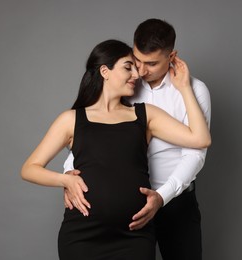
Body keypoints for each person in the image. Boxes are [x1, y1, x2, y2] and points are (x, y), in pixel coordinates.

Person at [21, 39, 210, 260]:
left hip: (133, 235)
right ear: (105, 71)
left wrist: (185, 88)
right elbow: (29, 168)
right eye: (128, 67)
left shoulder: (145, 114)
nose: (137, 74)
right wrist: (65, 180)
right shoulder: (70, 120)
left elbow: (200, 139)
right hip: (83, 236)